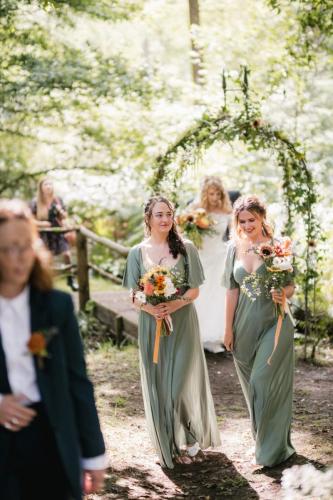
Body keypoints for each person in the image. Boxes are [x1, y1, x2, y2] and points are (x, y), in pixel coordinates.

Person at [0, 199, 106, 499]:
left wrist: (93, 455)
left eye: (24, 247)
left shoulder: (56, 306)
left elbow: (78, 381)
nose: (18, 258)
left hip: (52, 434)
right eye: (7, 249)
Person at [123, 195, 221, 469]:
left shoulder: (186, 248)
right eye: (159, 215)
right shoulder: (136, 253)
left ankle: (189, 438)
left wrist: (173, 304)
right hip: (151, 325)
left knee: (178, 385)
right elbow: (133, 295)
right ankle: (170, 444)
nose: (165, 219)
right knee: (160, 387)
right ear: (148, 218)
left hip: (183, 324)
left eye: (168, 214)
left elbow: (194, 290)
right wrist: (151, 309)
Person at [222, 195, 295, 467]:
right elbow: (231, 290)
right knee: (251, 388)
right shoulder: (233, 248)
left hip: (274, 322)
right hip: (243, 325)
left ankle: (271, 452)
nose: (248, 225)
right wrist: (227, 329)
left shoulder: (278, 247)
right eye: (242, 221)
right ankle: (265, 439)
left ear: (262, 217)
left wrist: (282, 293)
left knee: (262, 381)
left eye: (252, 219)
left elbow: (291, 286)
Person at [191, 176, 232, 353]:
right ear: (205, 193)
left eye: (217, 193)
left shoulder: (226, 210)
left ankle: (215, 336)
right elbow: (186, 227)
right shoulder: (196, 208)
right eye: (211, 193)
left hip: (219, 255)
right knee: (201, 293)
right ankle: (197, 334)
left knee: (218, 295)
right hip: (202, 255)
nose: (215, 197)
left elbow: (232, 234)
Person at [31, 178, 78, 291]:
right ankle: (46, 282)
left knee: (67, 254)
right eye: (46, 184)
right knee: (47, 259)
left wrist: (60, 211)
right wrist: (42, 223)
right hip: (44, 235)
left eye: (50, 184)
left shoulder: (57, 200)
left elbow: (65, 216)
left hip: (58, 233)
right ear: (41, 187)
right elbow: (30, 220)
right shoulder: (35, 202)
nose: (48, 186)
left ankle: (70, 279)